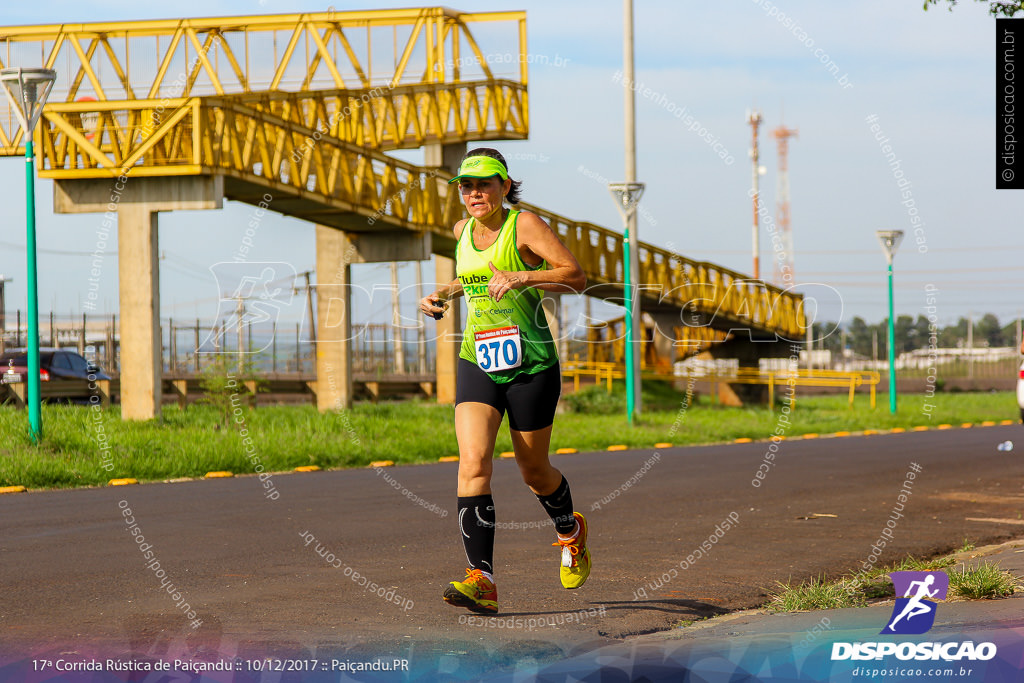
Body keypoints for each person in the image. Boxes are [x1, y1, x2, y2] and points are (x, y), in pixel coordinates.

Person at [418, 148, 588, 614]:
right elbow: (472, 279)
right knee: (473, 461)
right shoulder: (460, 232)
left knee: (534, 471)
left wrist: (522, 277)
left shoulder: (525, 226)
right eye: (466, 186)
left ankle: (570, 532)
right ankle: (483, 580)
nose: (475, 193)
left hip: (530, 363)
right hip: (478, 358)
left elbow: (576, 276)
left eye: (485, 184)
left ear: (505, 186)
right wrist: (442, 294)